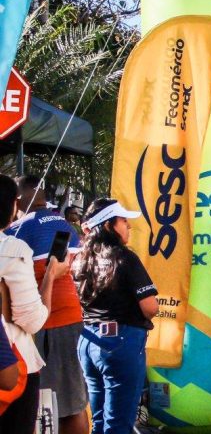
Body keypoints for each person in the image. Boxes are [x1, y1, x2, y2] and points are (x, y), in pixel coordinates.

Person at [6, 175, 89, 434]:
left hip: (44, 321)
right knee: (73, 402)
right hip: (72, 317)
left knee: (45, 405)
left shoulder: (18, 230)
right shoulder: (66, 225)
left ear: (20, 200)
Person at [72, 199, 159, 434]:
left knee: (99, 421)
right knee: (118, 423)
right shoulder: (125, 257)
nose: (128, 226)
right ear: (108, 225)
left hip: (88, 340)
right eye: (123, 221)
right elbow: (150, 307)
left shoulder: (80, 258)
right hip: (121, 342)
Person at [0, 175, 63, 433]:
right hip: (14, 366)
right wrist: (50, 277)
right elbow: (33, 320)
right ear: (13, 205)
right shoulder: (14, 250)